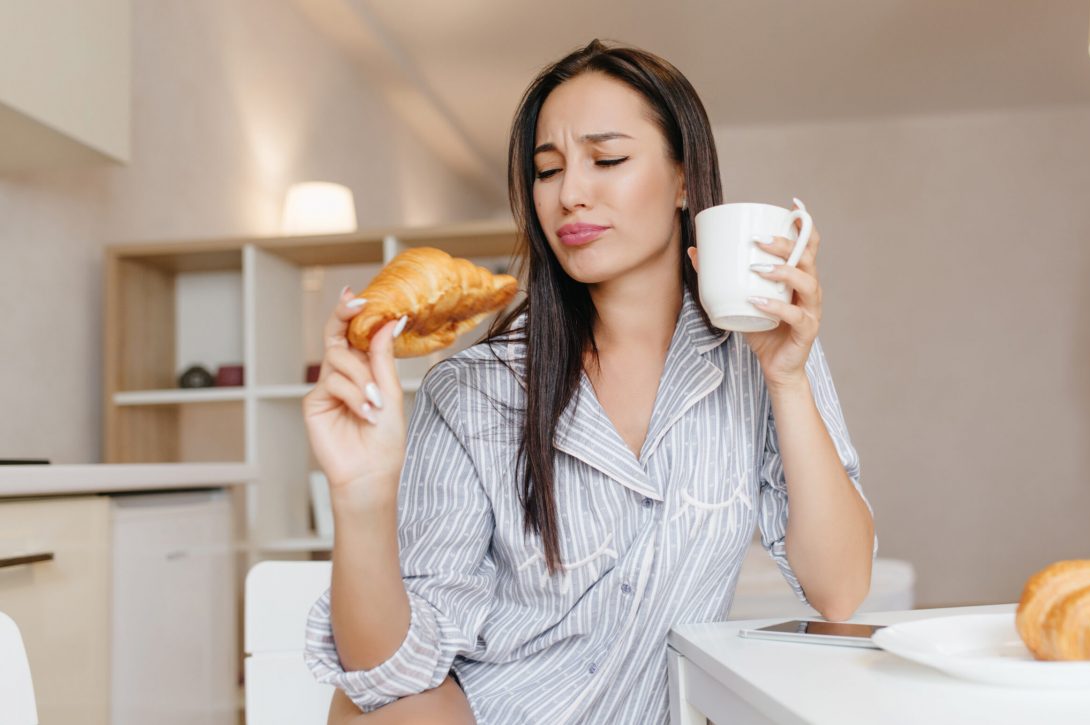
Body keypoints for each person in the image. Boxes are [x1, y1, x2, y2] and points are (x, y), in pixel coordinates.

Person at [302, 38, 877, 724]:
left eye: (607, 160)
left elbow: (839, 591)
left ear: (684, 179)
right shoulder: (471, 389)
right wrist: (360, 495)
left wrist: (787, 379)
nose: (570, 194)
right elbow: (393, 675)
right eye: (548, 170)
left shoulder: (767, 352)